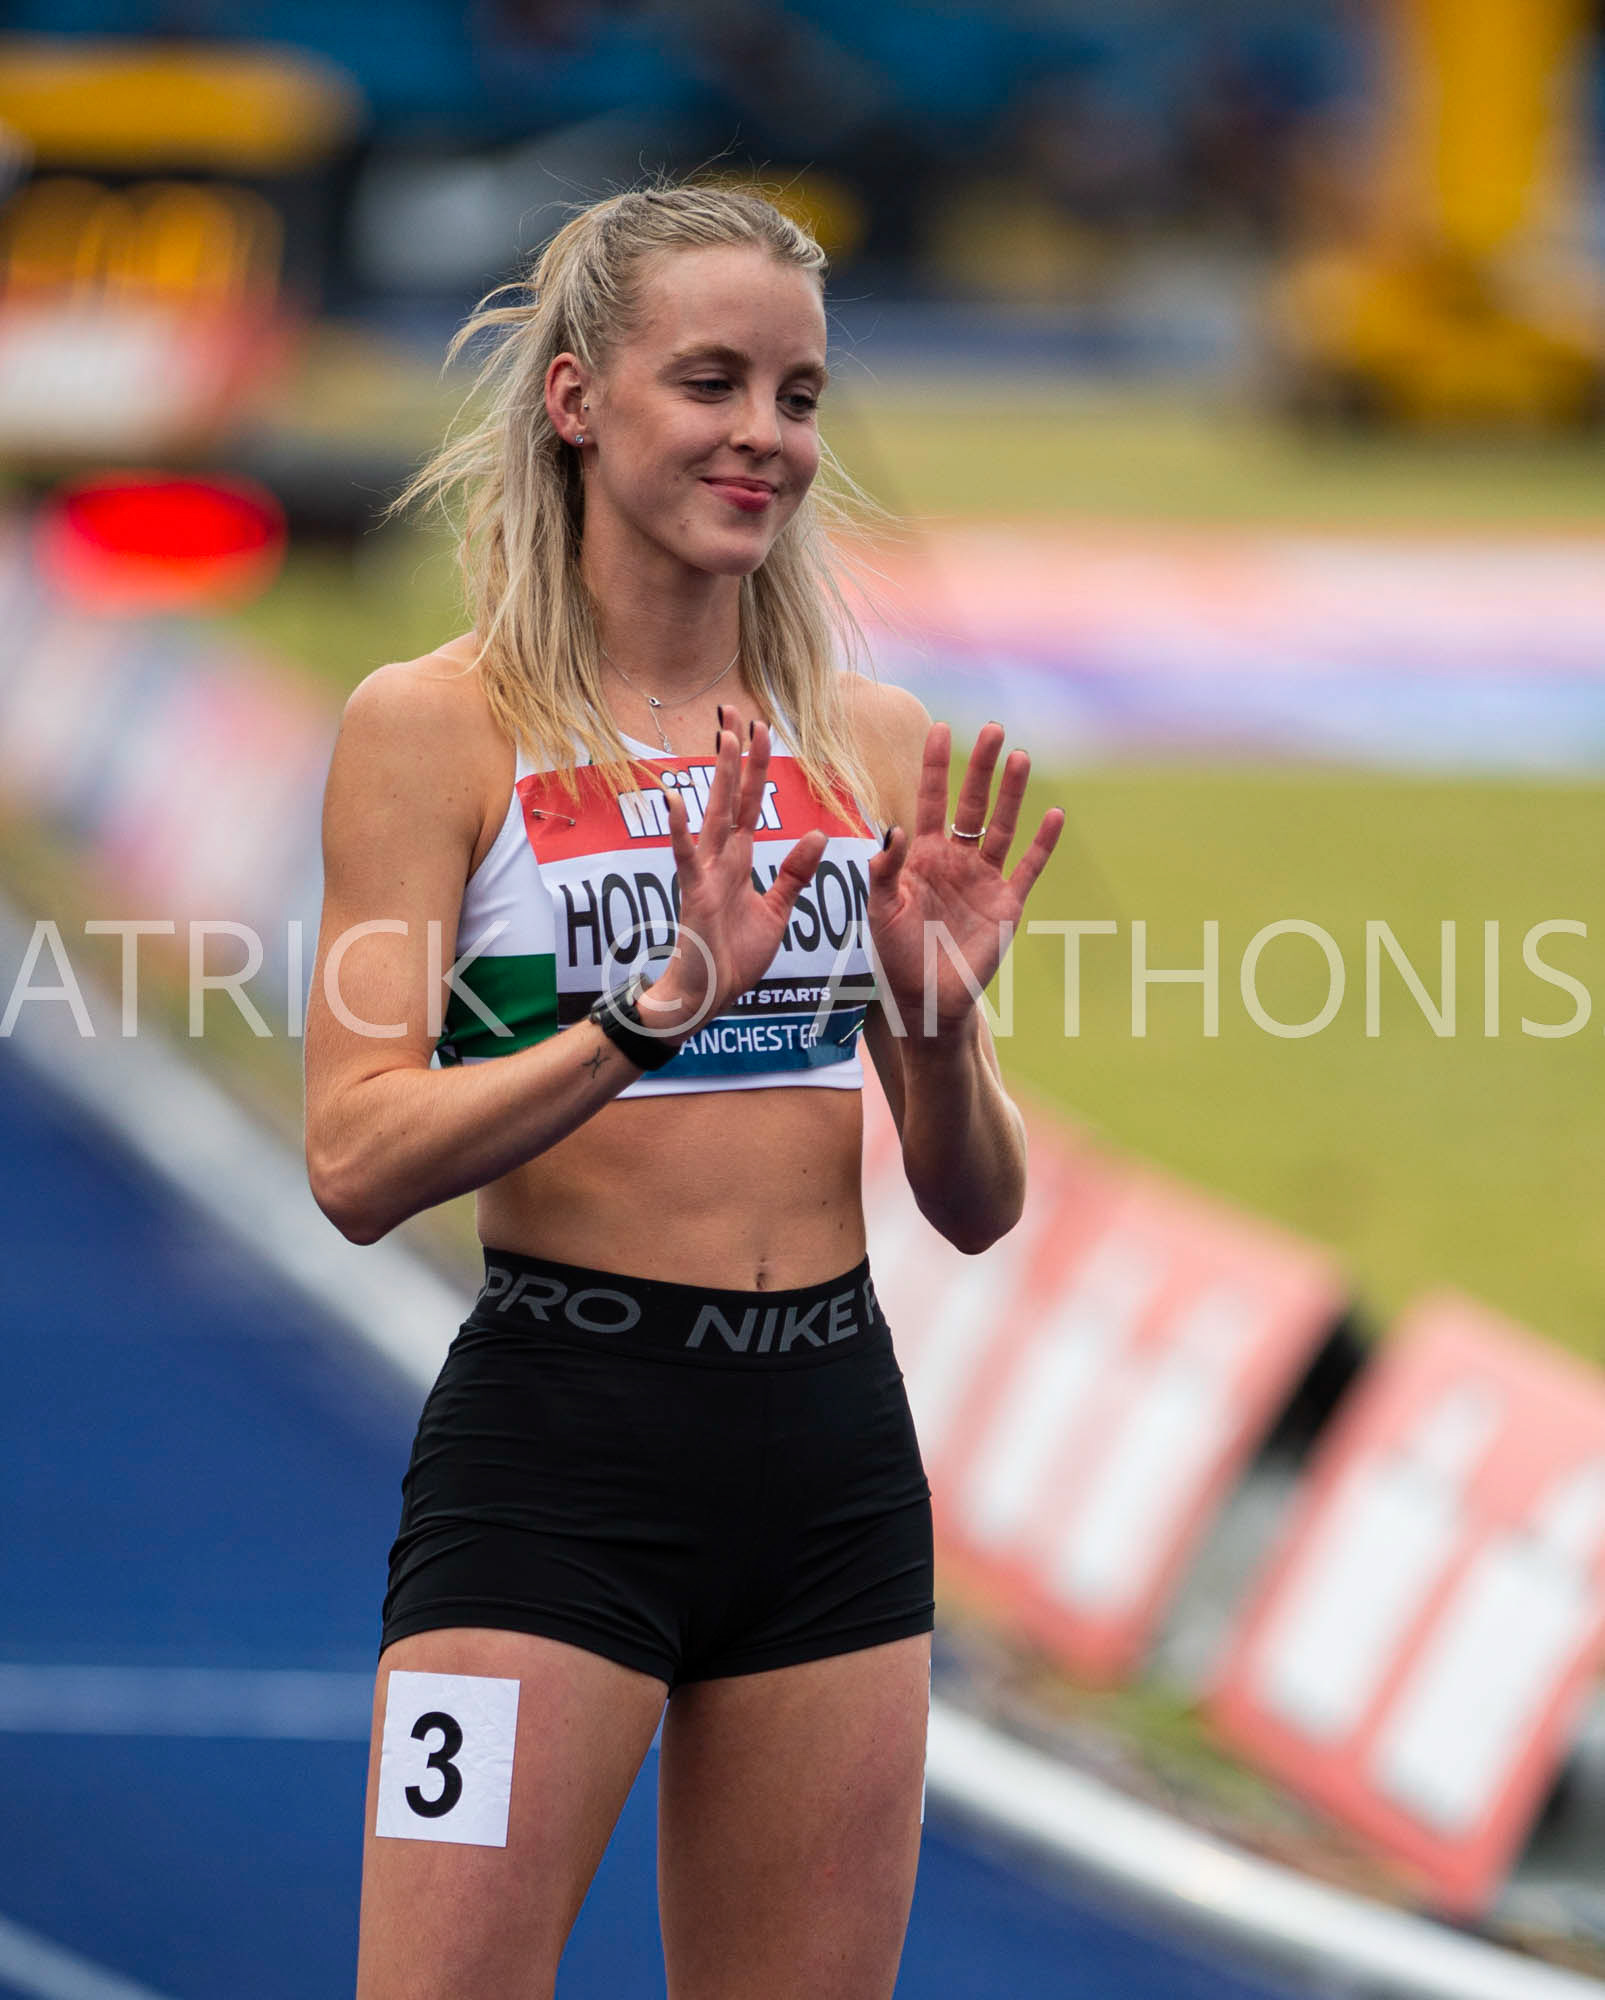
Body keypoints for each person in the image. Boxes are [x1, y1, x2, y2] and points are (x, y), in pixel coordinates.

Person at [303, 182, 1063, 2000]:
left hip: (828, 1456)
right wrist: (646, 1015)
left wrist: (940, 1026)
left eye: (795, 396)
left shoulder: (862, 744)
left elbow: (973, 1203)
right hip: (559, 1452)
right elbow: (351, 1158)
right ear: (575, 398)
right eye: (708, 380)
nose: (762, 437)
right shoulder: (437, 726)